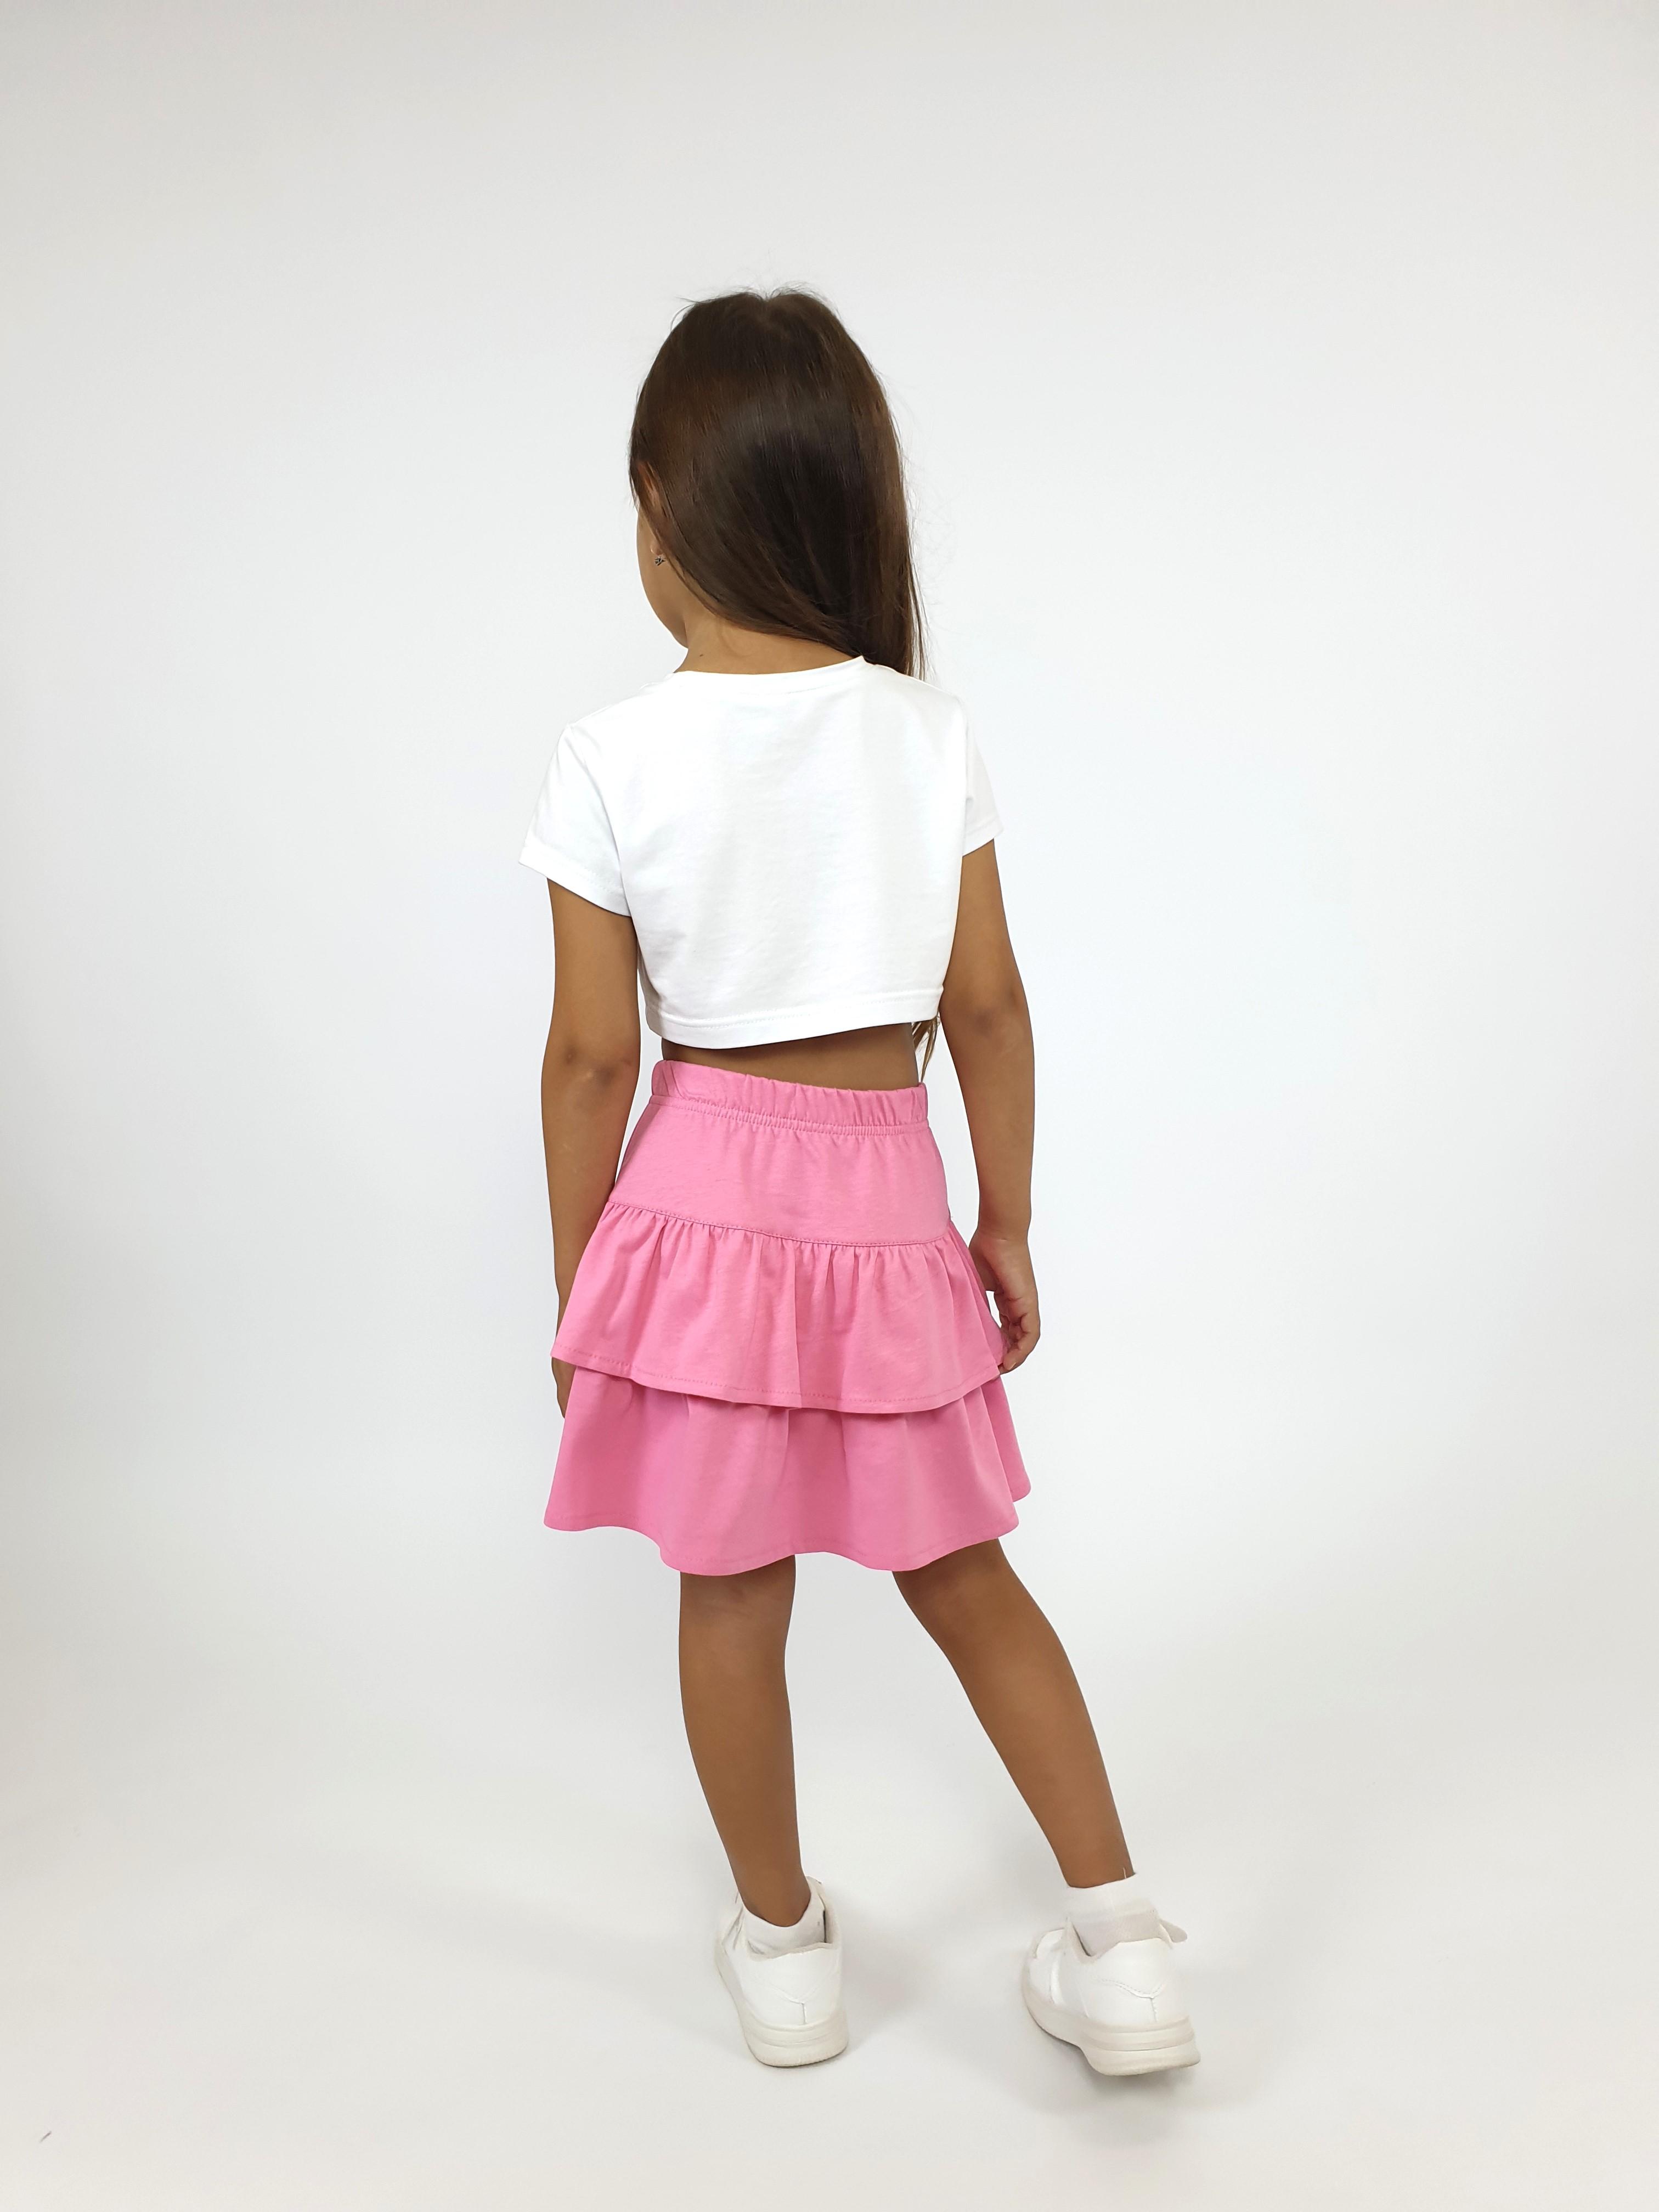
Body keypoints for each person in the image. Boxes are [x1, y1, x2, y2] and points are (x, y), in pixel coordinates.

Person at [520, 289, 1197, 2078]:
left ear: (667, 509)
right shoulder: (924, 733)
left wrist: (583, 1289)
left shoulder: (611, 754)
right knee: (967, 1572)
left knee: (731, 1586)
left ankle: (784, 1954)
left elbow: (589, 1057)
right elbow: (989, 1005)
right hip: (889, 1197)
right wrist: (1006, 1216)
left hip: (697, 1204)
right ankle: (1126, 1946)